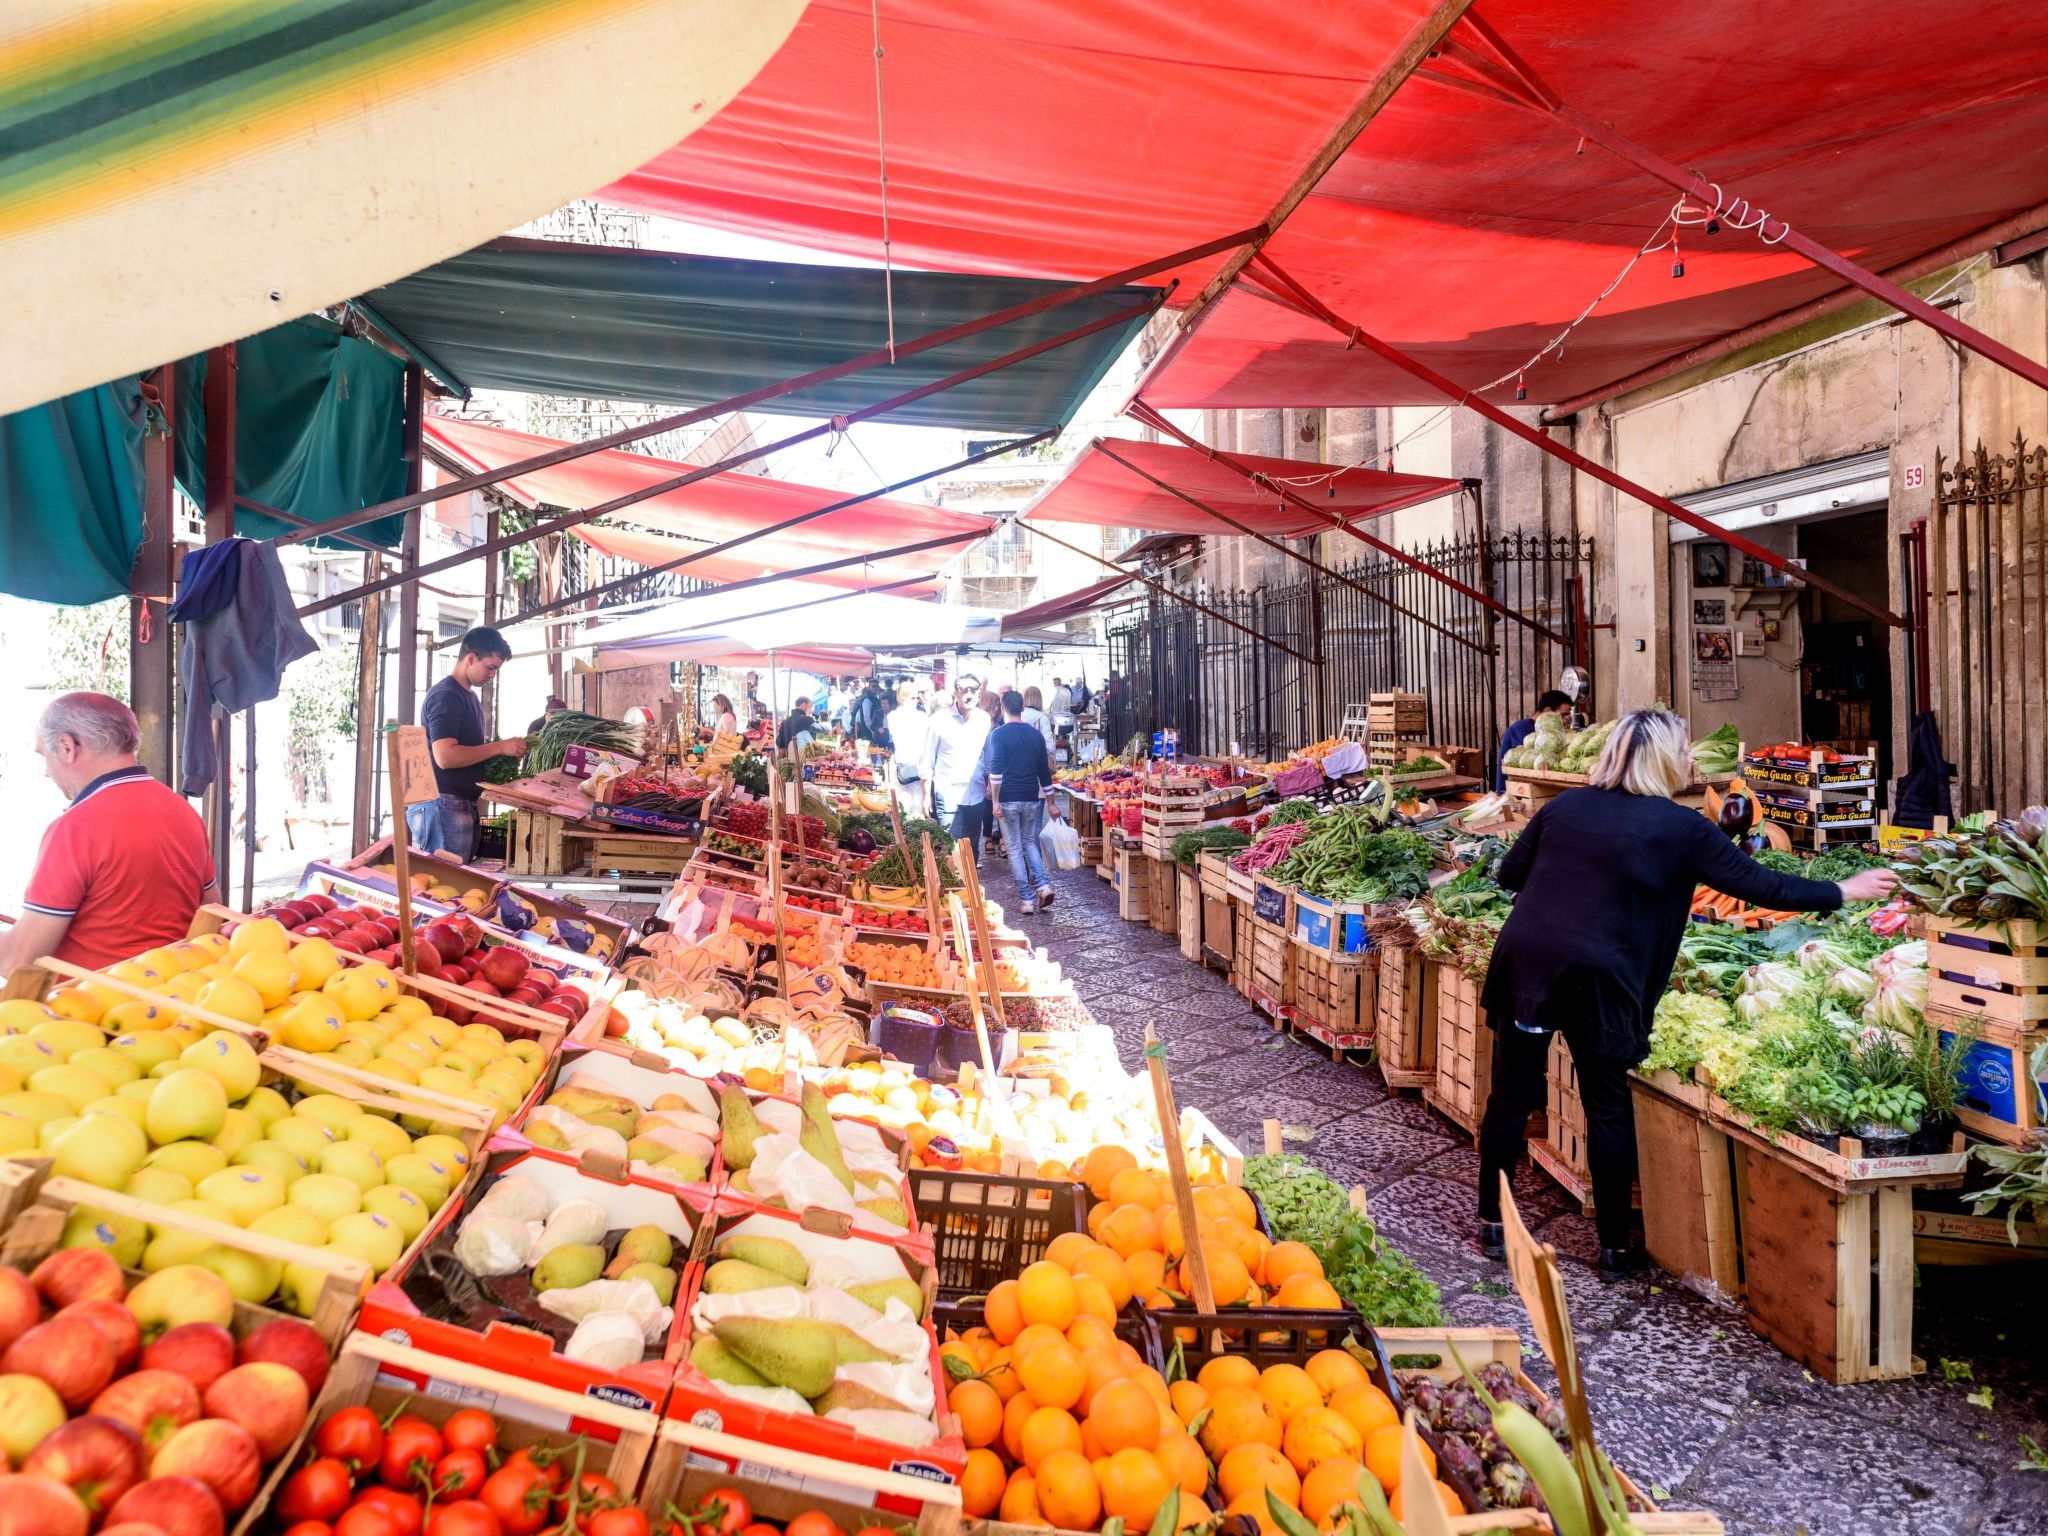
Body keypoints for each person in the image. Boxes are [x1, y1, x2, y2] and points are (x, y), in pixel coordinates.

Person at [1474, 709, 1899, 1274]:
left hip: (1528, 963)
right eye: (1683, 750)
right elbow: (1762, 885)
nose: (1692, 760)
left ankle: (1492, 1225)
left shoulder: (1563, 808)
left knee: (1511, 1093)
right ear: (1661, 761)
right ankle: (1614, 1248)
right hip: (1605, 973)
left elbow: (1508, 875)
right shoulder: (1678, 827)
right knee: (1605, 1102)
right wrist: (1844, 889)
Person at [0, 693, 217, 975]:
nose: (47, 772)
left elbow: (18, 960)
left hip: (94, 1007)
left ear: (67, 747)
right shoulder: (183, 812)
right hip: (172, 996)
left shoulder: (74, 829)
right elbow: (213, 914)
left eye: (45, 755)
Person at [411, 627, 528, 863]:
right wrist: (499, 748)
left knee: (456, 885)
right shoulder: (446, 696)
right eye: (490, 667)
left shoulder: (469, 697)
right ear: (471, 658)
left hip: (461, 803)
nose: (492, 675)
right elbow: (445, 756)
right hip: (443, 804)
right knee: (445, 885)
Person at [983, 690, 1057, 912]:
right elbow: (1044, 772)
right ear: (1022, 708)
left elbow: (996, 771)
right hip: (1031, 798)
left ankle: (1026, 899)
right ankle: (1043, 886)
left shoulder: (998, 734)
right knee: (1029, 842)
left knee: (1014, 848)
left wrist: (995, 800)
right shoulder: (1036, 735)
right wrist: (1052, 802)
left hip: (1008, 799)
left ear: (1004, 709)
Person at [925, 675, 991, 836]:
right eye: (964, 690)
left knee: (971, 849)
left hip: (976, 793)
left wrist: (991, 786)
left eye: (973, 690)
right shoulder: (938, 720)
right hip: (948, 794)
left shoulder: (983, 719)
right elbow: (927, 761)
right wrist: (926, 796)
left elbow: (989, 757)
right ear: (956, 692)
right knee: (952, 848)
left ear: (979, 693)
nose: (969, 694)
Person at [1494, 690, 1575, 791]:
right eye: (1563, 715)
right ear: (1547, 711)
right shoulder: (1522, 728)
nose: (1565, 721)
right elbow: (1527, 756)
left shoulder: (1550, 733)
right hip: (1514, 792)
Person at [884, 683, 928, 795]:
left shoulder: (922, 716)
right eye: (912, 698)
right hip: (901, 763)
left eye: (917, 698)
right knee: (901, 800)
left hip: (917, 763)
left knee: (917, 801)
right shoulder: (893, 716)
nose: (916, 701)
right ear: (902, 698)